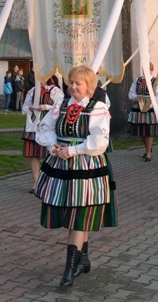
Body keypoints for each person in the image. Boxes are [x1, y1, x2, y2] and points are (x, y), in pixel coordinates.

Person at [34, 64, 116, 287]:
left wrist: (73, 150)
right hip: (60, 165)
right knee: (74, 214)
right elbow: (44, 128)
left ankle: (69, 270)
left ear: (89, 86)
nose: (73, 86)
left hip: (85, 165)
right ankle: (84, 260)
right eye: (71, 82)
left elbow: (100, 141)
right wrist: (53, 147)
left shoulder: (97, 108)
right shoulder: (60, 105)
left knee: (79, 215)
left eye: (78, 83)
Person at [22, 76, 64, 194]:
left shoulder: (55, 91)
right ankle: (36, 182)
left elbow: (60, 107)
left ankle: (49, 182)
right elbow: (24, 108)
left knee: (49, 154)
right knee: (33, 154)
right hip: (33, 126)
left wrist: (45, 107)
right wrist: (30, 108)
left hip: (48, 125)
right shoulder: (32, 91)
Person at [127, 62, 158, 162]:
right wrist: (136, 97)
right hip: (138, 108)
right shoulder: (138, 80)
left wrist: (149, 104)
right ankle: (148, 148)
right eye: (143, 69)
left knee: (148, 131)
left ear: (151, 70)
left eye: (147, 69)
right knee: (140, 131)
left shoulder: (155, 81)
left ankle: (148, 153)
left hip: (150, 109)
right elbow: (131, 92)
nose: (144, 71)